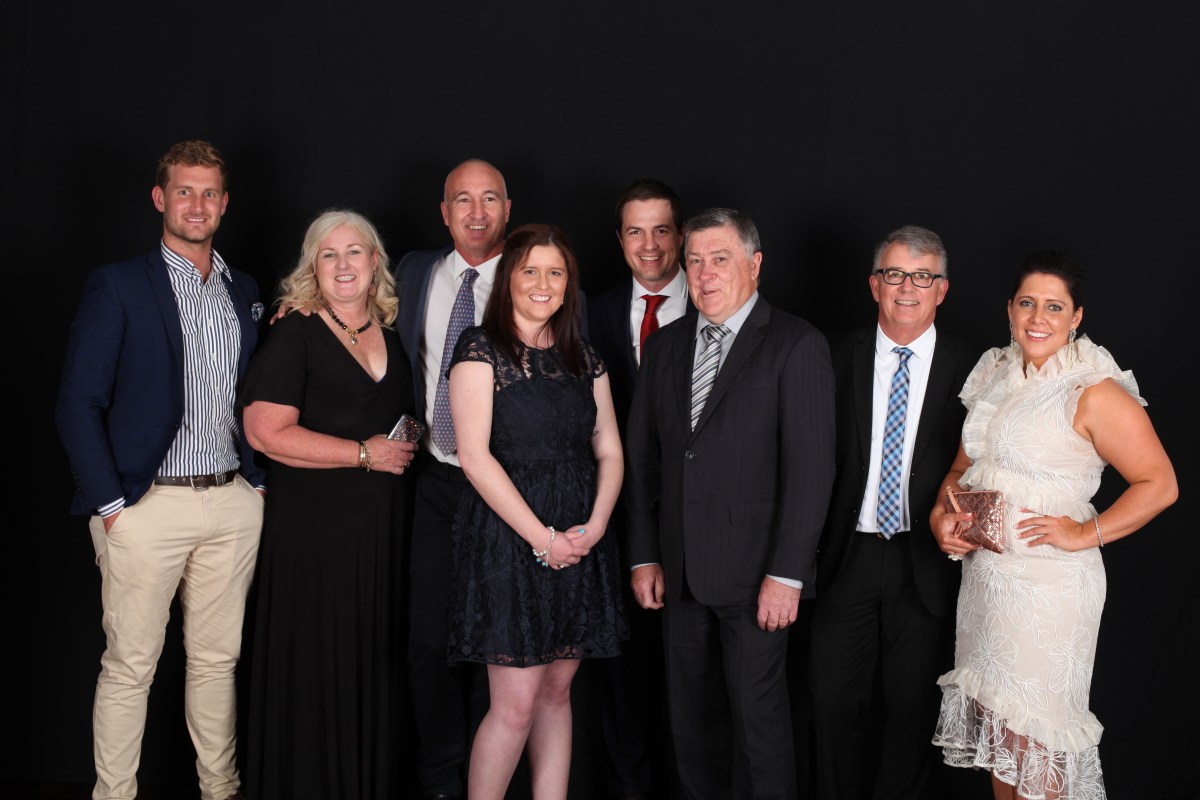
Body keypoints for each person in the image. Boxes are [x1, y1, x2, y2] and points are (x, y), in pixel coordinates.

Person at [55, 140, 264, 800]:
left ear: (225, 204)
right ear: (159, 199)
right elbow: (76, 403)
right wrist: (111, 507)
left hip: (231, 501)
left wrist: (256, 485)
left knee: (217, 663)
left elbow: (252, 393)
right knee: (130, 667)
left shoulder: (244, 290)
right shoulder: (118, 285)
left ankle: (220, 791)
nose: (197, 205)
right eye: (184, 191)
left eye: (209, 193)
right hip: (146, 505)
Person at [929, 250, 1177, 799]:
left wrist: (1084, 533)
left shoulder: (1092, 389)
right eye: (1027, 303)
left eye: (1054, 306)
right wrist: (942, 514)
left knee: (1038, 741)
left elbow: (1160, 483)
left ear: (1076, 317)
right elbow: (960, 471)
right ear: (1010, 310)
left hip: (1051, 589)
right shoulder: (995, 374)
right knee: (1003, 736)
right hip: (987, 585)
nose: (1038, 318)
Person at [625, 208, 836, 800]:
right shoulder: (665, 347)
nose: (705, 274)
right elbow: (643, 461)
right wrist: (644, 554)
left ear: (754, 264)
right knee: (691, 728)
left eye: (720, 259)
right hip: (679, 572)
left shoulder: (797, 344)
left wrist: (787, 574)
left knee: (756, 726)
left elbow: (812, 473)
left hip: (757, 576)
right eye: (694, 261)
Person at [240, 210, 418, 799]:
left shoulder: (391, 331)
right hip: (314, 534)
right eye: (328, 254)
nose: (343, 265)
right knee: (319, 662)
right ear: (312, 266)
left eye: (354, 252)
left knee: (370, 661)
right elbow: (265, 433)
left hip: (380, 531)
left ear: (375, 262)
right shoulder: (296, 331)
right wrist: (363, 454)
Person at [446, 224, 627, 800]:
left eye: (555, 272)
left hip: (580, 538)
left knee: (556, 692)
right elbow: (474, 457)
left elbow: (609, 449)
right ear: (508, 279)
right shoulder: (480, 348)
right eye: (530, 270)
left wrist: (595, 527)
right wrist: (543, 539)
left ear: (569, 284)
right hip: (510, 541)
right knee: (516, 706)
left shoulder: (585, 357)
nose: (543, 283)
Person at [809, 226, 976, 800]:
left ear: (942, 290)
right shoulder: (830, 355)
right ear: (874, 285)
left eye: (923, 276)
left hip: (924, 559)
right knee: (831, 704)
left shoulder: (975, 369)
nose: (908, 287)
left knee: (912, 713)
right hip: (844, 556)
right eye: (895, 274)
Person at [394, 158, 511, 799]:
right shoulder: (414, 272)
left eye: (489, 198)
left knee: (499, 643)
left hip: (509, 487)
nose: (476, 212)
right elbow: (347, 302)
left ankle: (489, 782)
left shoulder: (533, 277)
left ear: (507, 209)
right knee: (429, 640)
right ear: (444, 212)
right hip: (437, 480)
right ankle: (440, 778)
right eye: (463, 200)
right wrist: (294, 308)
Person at [586, 177, 689, 799]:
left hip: (697, 524)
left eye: (661, 230)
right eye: (634, 231)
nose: (648, 245)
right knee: (623, 681)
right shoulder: (588, 311)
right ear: (619, 239)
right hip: (612, 523)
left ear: (680, 235)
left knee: (693, 681)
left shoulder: (715, 303)